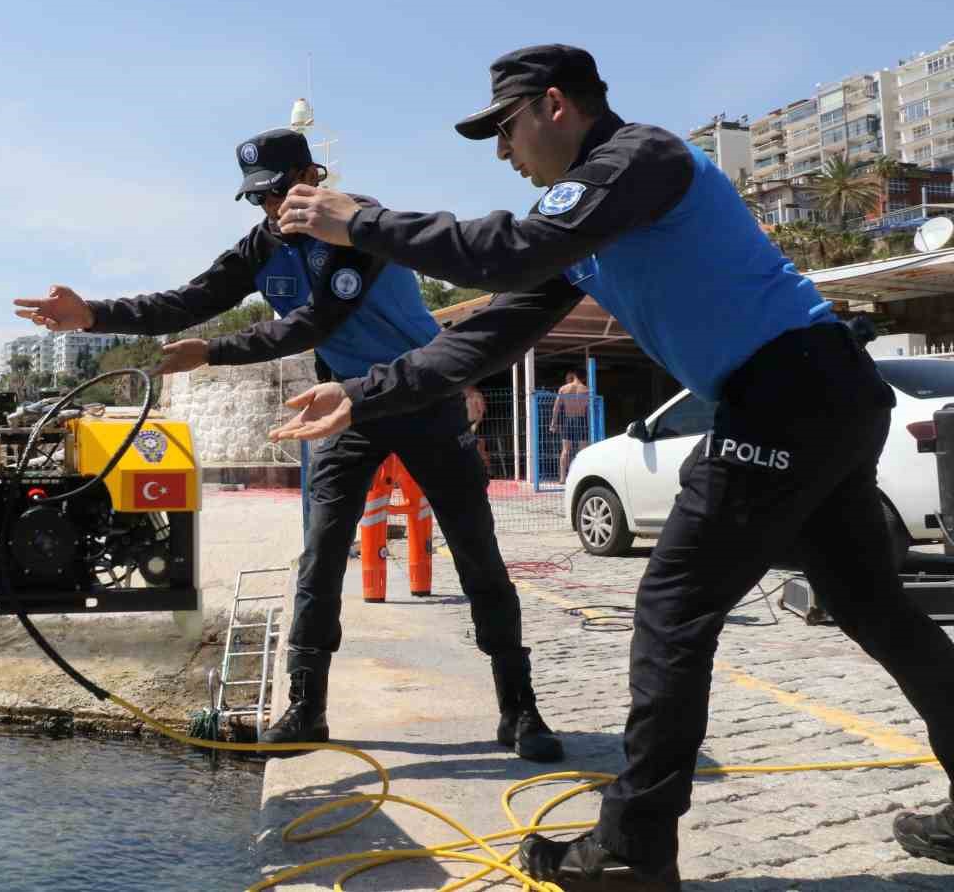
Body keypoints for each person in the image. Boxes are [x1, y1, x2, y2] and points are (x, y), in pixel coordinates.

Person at [267, 44, 954, 889]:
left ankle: (629, 849)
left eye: (506, 129)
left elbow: (507, 251)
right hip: (821, 396)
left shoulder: (642, 159)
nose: (502, 153)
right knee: (877, 613)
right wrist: (365, 395)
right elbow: (488, 332)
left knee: (672, 608)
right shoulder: (584, 220)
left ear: (556, 105)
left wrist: (359, 222)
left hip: (790, 391)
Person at [13, 127, 563, 762]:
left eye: (280, 191)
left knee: (475, 549)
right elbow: (191, 299)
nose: (274, 209)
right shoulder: (262, 244)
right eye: (259, 199)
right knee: (321, 555)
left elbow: (317, 322)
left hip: (421, 393)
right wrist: (94, 315)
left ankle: (519, 708)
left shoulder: (361, 226)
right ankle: (306, 708)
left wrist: (213, 352)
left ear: (312, 175)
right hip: (340, 407)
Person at [548, 369, 590, 483]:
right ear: (584, 378)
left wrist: (553, 423)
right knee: (583, 451)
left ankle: (562, 478)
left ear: (574, 375)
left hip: (569, 420)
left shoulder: (564, 389)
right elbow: (589, 410)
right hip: (581, 420)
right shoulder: (586, 390)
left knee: (565, 450)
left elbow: (556, 407)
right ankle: (582, 476)